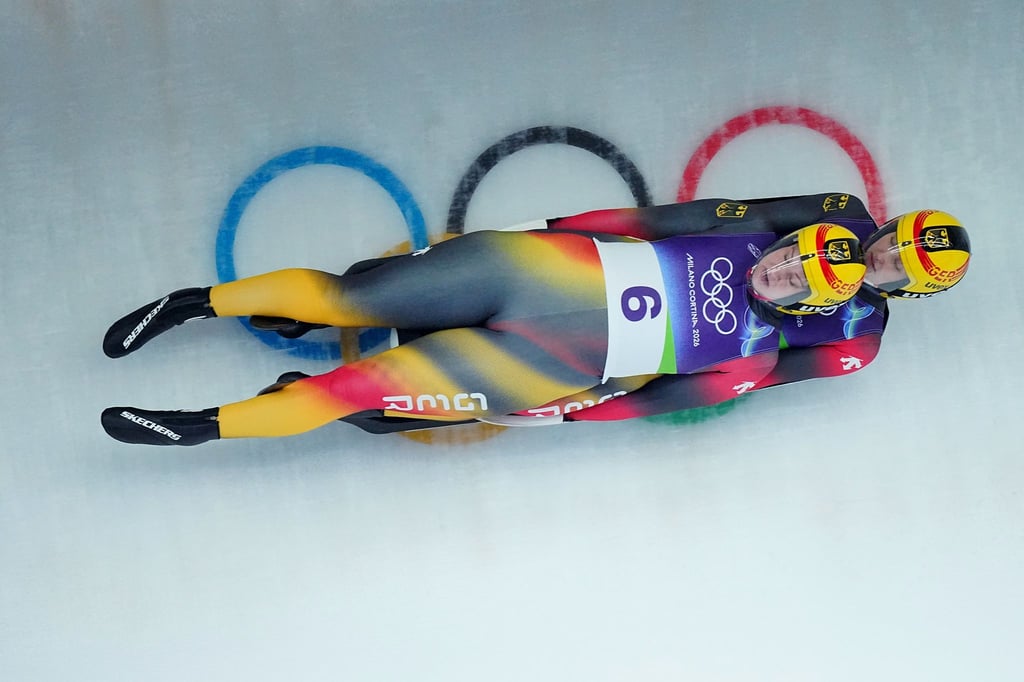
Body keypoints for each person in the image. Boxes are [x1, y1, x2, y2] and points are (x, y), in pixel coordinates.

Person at [100, 218, 867, 446]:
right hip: (527, 272)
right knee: (347, 297)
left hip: (537, 361)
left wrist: (571, 411)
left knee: (346, 391)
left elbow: (667, 401)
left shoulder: (754, 354)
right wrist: (553, 230)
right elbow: (645, 221)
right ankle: (192, 304)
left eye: (796, 283)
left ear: (804, 310)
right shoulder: (735, 232)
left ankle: (200, 426)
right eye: (789, 258)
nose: (780, 273)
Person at [307, 192, 970, 431]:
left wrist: (600, 409)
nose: (880, 255)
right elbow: (721, 218)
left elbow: (750, 377)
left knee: (521, 376)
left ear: (908, 289)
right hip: (654, 280)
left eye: (893, 266)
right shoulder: (835, 215)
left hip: (666, 346)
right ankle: (365, 307)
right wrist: (570, 229)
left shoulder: (858, 341)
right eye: (889, 243)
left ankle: (397, 397)